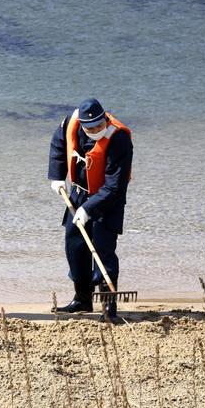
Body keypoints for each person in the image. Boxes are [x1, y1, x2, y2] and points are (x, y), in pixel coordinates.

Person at [48, 98, 132, 318]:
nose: (96, 130)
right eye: (91, 128)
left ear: (105, 118)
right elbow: (58, 145)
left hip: (108, 199)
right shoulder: (70, 124)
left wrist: (88, 209)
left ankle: (108, 307)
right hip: (77, 194)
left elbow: (115, 186)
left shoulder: (119, 138)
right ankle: (82, 299)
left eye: (99, 126)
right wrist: (56, 177)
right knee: (75, 246)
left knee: (103, 249)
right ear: (83, 125)